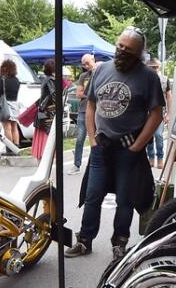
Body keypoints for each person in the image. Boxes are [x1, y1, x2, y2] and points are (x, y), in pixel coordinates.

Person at [65, 27, 164, 259]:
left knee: (125, 199)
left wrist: (137, 147)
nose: (121, 51)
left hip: (129, 148)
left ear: (139, 53)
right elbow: (91, 105)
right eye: (120, 45)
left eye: (128, 49)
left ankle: (120, 242)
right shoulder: (101, 70)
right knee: (92, 196)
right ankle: (85, 240)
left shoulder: (148, 77)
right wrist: (92, 138)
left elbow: (156, 114)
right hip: (101, 147)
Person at [70, 53, 96, 173]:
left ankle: (94, 165)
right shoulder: (83, 76)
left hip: (96, 111)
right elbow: (78, 94)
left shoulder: (100, 72)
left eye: (87, 63)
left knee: (95, 138)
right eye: (84, 64)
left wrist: (86, 93)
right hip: (83, 110)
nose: (86, 66)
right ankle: (77, 165)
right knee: (80, 138)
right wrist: (91, 93)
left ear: (93, 60)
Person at [147, 59, 168, 168]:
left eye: (156, 67)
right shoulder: (144, 79)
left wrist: (169, 113)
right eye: (152, 67)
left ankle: (160, 157)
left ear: (159, 67)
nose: (154, 69)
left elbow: (169, 96)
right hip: (146, 113)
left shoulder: (164, 79)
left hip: (160, 113)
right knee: (148, 136)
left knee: (158, 135)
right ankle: (151, 157)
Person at [0, 59, 21, 148]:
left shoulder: (3, 80)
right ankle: (16, 147)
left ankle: (10, 148)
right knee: (14, 127)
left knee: (7, 127)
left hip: (5, 105)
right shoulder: (17, 80)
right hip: (15, 104)